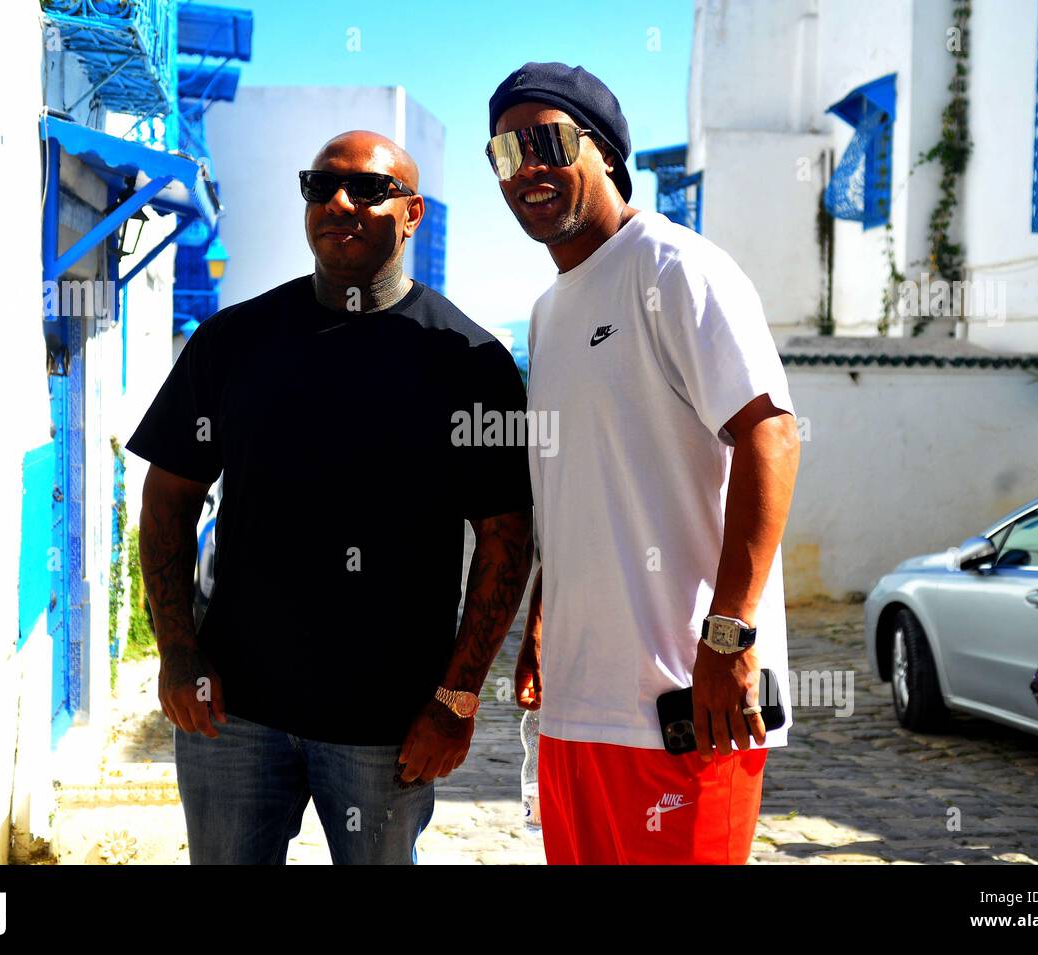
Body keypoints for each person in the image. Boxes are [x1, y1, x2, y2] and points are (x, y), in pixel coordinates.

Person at [128, 130, 533, 865]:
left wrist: (457, 697)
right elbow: (168, 498)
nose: (340, 202)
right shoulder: (234, 341)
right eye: (321, 186)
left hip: (387, 725)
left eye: (370, 190)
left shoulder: (469, 362)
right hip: (234, 713)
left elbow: (508, 537)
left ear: (413, 214)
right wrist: (178, 652)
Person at [489, 62, 801, 864]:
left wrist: (729, 637)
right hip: (575, 710)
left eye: (546, 141)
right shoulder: (549, 310)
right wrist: (542, 619)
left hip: (684, 709)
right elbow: (578, 484)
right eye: (504, 154)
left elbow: (771, 434)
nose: (527, 168)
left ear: (605, 153)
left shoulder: (675, 267)